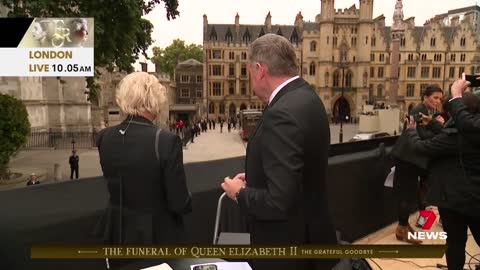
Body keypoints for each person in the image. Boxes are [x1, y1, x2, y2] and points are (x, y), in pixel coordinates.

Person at [221, 34, 338, 270]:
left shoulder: (281, 114)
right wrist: (257, 177)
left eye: (250, 71)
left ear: (260, 69)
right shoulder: (308, 97)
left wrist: (239, 194)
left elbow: (278, 202)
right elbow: (297, 170)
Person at [95, 72, 192, 249]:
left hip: (116, 233)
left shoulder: (104, 137)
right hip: (155, 235)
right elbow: (179, 202)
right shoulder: (166, 141)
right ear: (154, 101)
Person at [404, 92, 480, 270]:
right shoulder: (473, 130)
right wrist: (431, 122)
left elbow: (422, 147)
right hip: (475, 195)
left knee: (454, 243)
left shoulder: (455, 138)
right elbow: (452, 133)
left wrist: (411, 132)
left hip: (455, 200)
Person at [392, 85, 444, 244]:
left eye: (440, 99)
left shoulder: (428, 112)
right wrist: (436, 125)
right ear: (426, 97)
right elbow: (419, 136)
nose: (438, 101)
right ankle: (402, 229)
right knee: (406, 195)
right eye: (435, 97)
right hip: (407, 159)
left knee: (409, 194)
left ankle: (404, 226)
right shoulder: (418, 111)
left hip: (412, 160)